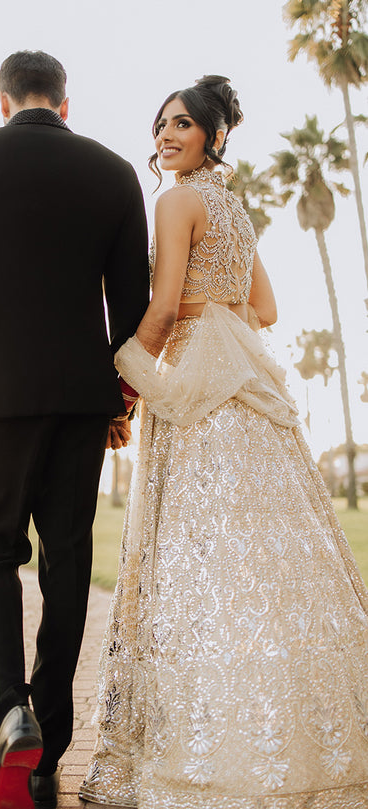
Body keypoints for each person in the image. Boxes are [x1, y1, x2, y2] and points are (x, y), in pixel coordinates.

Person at [80, 75, 368, 808]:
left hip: (195, 392)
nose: (166, 136)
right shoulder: (233, 207)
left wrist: (124, 382)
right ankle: (289, 738)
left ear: (213, 135)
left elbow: (162, 307)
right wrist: (218, 313)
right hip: (243, 383)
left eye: (182, 124)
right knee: (260, 563)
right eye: (161, 125)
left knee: (187, 559)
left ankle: (206, 748)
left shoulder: (176, 201)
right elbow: (263, 306)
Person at [0, 50, 149, 809]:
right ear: (64, 101)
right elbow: (130, 307)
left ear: (3, 101)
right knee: (67, 559)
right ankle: (48, 736)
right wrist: (120, 402)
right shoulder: (115, 171)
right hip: (83, 399)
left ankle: (9, 710)